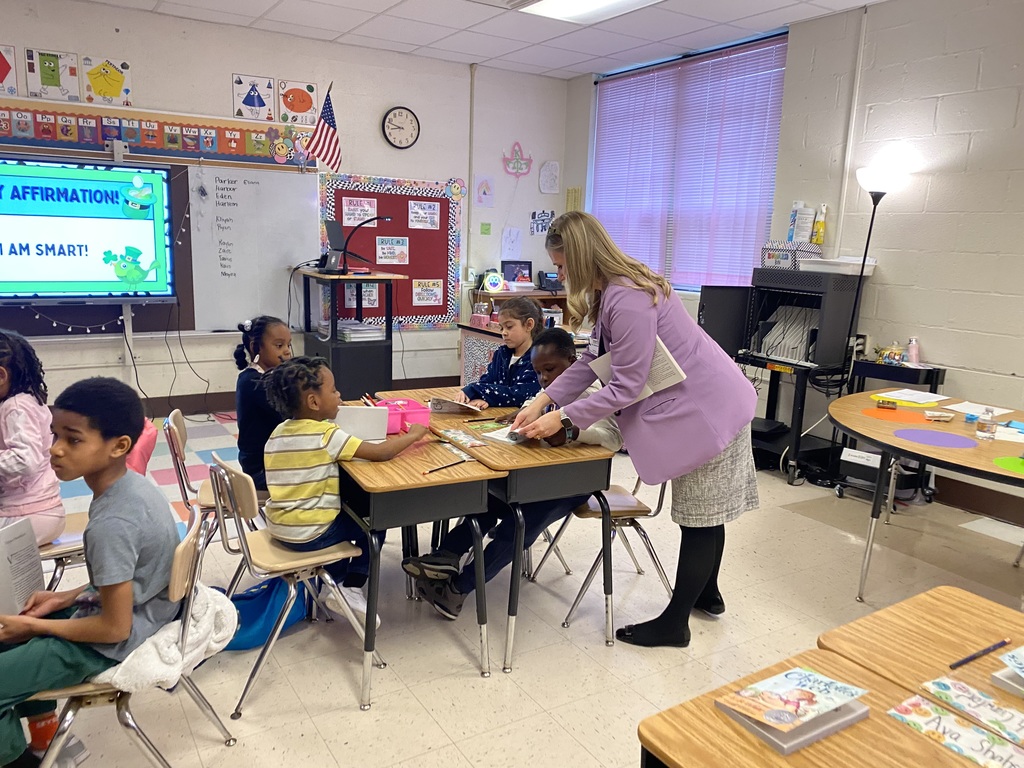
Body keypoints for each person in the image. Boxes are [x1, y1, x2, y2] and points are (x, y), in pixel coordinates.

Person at [512, 211, 758, 649]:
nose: (560, 274)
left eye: (564, 265)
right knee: (709, 512)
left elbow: (626, 382)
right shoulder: (615, 292)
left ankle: (675, 623)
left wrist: (564, 418)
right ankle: (708, 594)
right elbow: (592, 360)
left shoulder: (626, 298)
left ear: (584, 256)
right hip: (711, 402)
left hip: (709, 410)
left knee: (699, 518)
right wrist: (543, 400)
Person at [0, 377, 179, 768]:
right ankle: (49, 741)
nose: (55, 450)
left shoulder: (111, 522)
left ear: (119, 446)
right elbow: (129, 575)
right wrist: (64, 597)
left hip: (111, 641)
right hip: (144, 610)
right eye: (54, 435)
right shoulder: (133, 487)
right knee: (10, 637)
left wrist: (35, 628)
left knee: (20, 633)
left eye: (73, 439)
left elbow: (114, 629)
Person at [404, 328, 623, 620]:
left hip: (575, 482)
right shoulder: (547, 392)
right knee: (487, 499)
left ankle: (458, 588)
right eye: (539, 372)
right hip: (537, 474)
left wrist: (572, 432)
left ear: (573, 362)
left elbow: (614, 438)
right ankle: (447, 555)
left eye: (550, 370)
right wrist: (523, 413)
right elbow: (534, 401)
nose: (544, 378)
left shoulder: (593, 393)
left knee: (520, 523)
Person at [263, 356, 428, 626]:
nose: (340, 395)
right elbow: (380, 453)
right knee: (375, 520)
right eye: (334, 390)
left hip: (280, 527)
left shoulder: (278, 432)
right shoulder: (327, 436)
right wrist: (414, 435)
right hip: (310, 534)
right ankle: (349, 586)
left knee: (346, 511)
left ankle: (333, 581)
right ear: (314, 403)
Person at [0, 329, 65, 547]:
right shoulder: (29, 400)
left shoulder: (15, 407)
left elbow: (25, 461)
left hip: (26, 516)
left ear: (1, 376)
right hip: (42, 512)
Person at [234, 315, 293, 491]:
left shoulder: (265, 377)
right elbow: (290, 417)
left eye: (288, 345)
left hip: (269, 462)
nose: (287, 351)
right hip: (261, 471)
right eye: (279, 345)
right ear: (255, 347)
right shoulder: (254, 383)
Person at [454, 296, 542, 409]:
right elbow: (487, 380)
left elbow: (520, 395)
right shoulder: (502, 354)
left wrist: (475, 389)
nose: (504, 333)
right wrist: (484, 399)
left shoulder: (538, 358)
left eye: (509, 327)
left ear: (529, 325)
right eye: (501, 328)